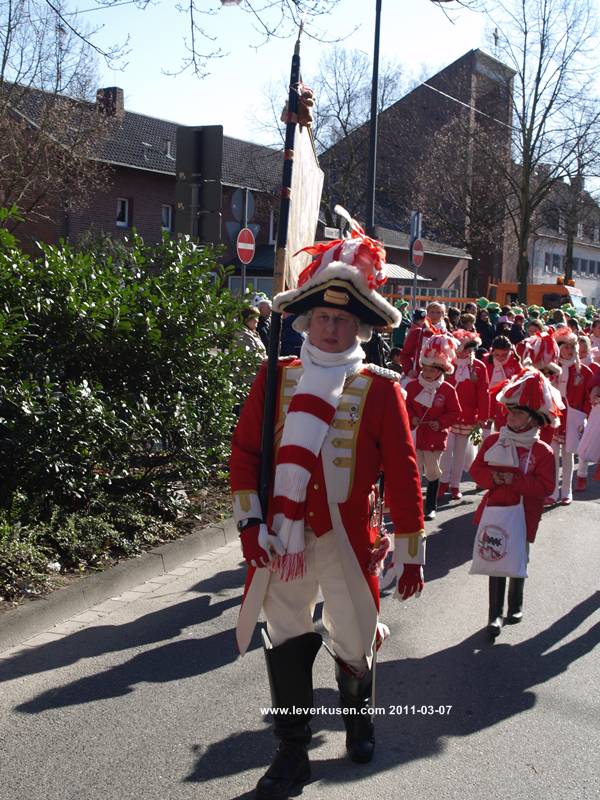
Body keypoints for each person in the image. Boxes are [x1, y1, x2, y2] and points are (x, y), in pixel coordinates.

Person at [230, 233, 425, 800]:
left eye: (341, 320)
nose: (330, 329)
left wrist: (411, 550)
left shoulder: (378, 389)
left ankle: (358, 720)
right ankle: (292, 750)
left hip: (348, 537)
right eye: (321, 317)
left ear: (358, 328)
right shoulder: (276, 377)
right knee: (285, 635)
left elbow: (404, 472)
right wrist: (249, 523)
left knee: (355, 637)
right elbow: (245, 453)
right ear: (305, 321)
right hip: (284, 536)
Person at [470, 369, 559, 639]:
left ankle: (515, 605)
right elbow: (477, 470)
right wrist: (494, 478)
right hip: (496, 509)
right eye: (510, 412)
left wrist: (515, 480)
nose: (511, 417)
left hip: (525, 513)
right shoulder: (494, 440)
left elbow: (546, 487)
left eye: (518, 413)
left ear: (533, 417)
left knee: (519, 557)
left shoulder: (543, 451)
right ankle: (494, 615)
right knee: (495, 559)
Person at [405, 334, 462, 520]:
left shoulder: (447, 390)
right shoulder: (412, 387)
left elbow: (455, 412)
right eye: (426, 369)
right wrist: (412, 418)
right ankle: (412, 505)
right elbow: (405, 406)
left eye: (432, 370)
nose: (428, 373)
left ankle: (430, 506)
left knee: (432, 471)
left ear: (441, 370)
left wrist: (440, 423)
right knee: (413, 470)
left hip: (435, 437)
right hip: (415, 435)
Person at [439, 330, 489, 500]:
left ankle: (455, 484)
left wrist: (483, 416)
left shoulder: (479, 367)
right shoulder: (447, 364)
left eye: (469, 349)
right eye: (463, 348)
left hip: (468, 416)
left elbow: (483, 393)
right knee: (445, 450)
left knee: (461, 453)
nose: (466, 352)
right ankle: (443, 481)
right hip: (447, 415)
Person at [547, 326, 593, 504]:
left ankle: (567, 491)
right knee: (551, 456)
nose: (570, 350)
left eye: (572, 347)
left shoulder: (584, 371)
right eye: (565, 347)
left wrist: (583, 415)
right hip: (553, 416)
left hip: (573, 418)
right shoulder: (550, 369)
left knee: (568, 455)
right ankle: (552, 493)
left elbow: (589, 397)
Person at [484, 335, 523, 433]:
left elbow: (520, 380)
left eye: (504, 355)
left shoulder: (515, 362)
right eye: (497, 354)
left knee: (502, 426)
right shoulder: (486, 361)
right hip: (488, 397)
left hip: (506, 399)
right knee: (486, 425)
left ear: (510, 351)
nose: (500, 358)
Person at [234, 306, 267, 391]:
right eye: (255, 318)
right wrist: (269, 362)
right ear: (247, 319)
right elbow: (252, 358)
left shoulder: (253, 334)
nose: (257, 320)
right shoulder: (243, 335)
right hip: (249, 380)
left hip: (256, 377)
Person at [400, 308, 431, 378]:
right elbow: (405, 354)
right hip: (417, 371)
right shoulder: (416, 331)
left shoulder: (442, 332)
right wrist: (409, 369)